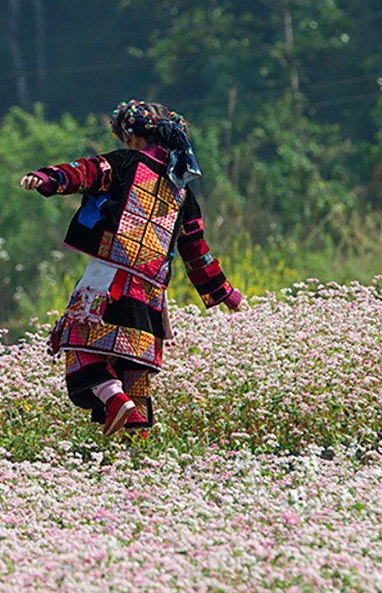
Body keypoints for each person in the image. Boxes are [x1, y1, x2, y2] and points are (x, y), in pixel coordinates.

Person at [21, 100, 243, 437]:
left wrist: (48, 178)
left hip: (109, 282)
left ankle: (112, 398)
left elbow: (86, 172)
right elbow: (196, 251)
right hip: (151, 299)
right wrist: (224, 292)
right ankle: (136, 459)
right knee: (133, 376)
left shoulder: (125, 163)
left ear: (134, 137)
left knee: (80, 350)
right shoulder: (183, 192)